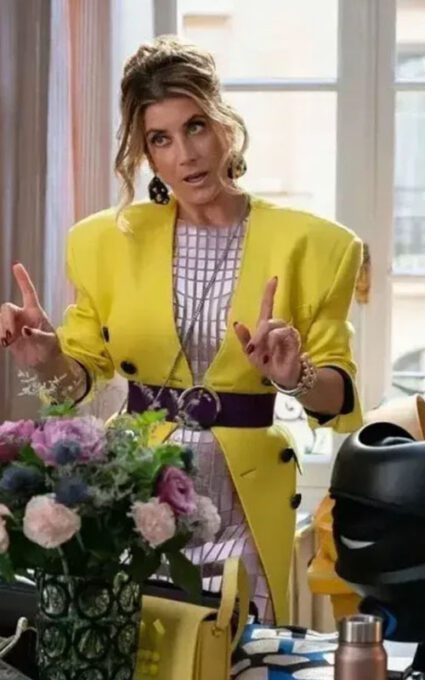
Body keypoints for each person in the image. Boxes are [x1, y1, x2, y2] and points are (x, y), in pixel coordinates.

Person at [0, 35, 363, 625]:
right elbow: (74, 386)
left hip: (244, 506)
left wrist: (294, 376)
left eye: (196, 127)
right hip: (135, 498)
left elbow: (339, 397)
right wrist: (45, 358)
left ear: (225, 126)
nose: (185, 154)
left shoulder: (317, 245)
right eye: (160, 139)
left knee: (241, 648)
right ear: (144, 152)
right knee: (138, 650)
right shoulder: (102, 241)